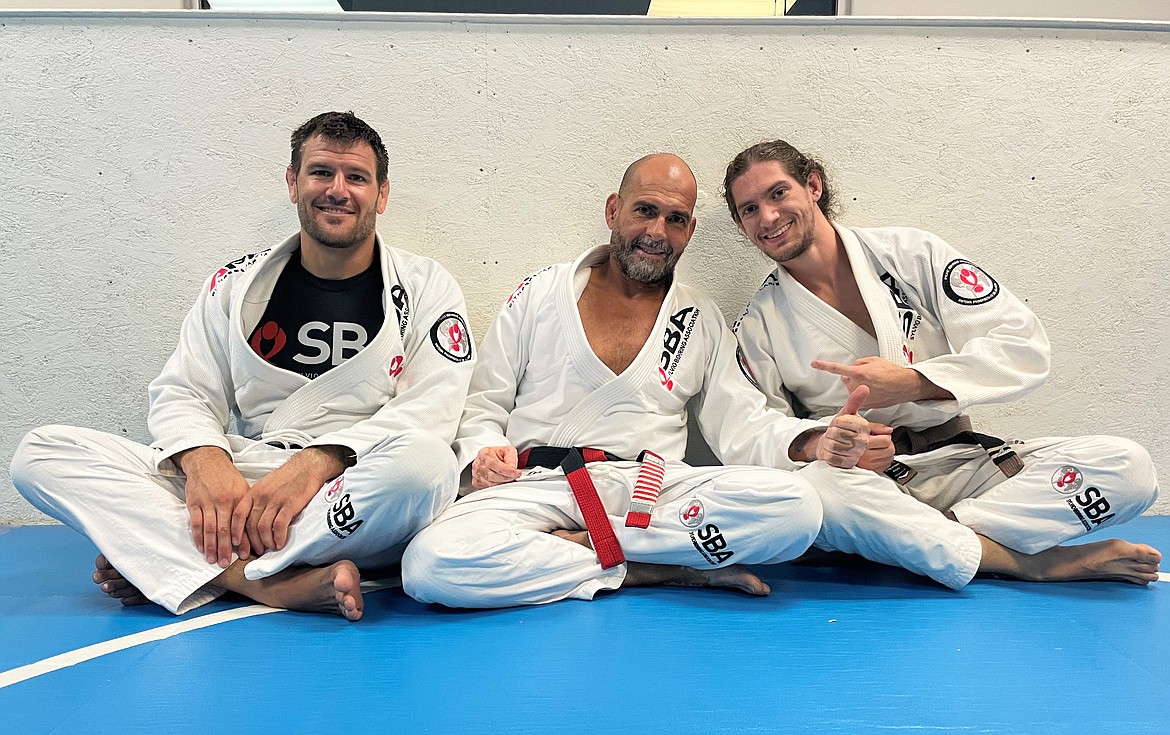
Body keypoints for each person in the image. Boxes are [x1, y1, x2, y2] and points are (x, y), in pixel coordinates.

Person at [11, 111, 475, 620]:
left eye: (356, 177)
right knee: (41, 453)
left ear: (382, 195)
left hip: (350, 490)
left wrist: (316, 463)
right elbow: (184, 390)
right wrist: (206, 461)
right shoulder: (235, 284)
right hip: (249, 478)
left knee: (427, 465)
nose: (337, 190)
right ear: (293, 183)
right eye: (321, 172)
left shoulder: (426, 285)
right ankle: (261, 581)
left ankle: (181, 556)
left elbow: (434, 407)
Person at [402, 153, 877, 609]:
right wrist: (484, 454)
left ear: (689, 231)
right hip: (538, 486)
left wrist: (814, 441)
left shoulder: (698, 317)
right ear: (614, 210)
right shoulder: (540, 293)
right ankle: (650, 568)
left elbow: (743, 425)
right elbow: (485, 403)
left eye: (675, 219)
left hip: (650, 494)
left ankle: (586, 553)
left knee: (796, 509)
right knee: (428, 565)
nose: (657, 232)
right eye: (645, 211)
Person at [723, 139, 1160, 589]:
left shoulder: (912, 254)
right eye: (749, 209)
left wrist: (915, 382)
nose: (768, 218)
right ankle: (1023, 561)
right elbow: (748, 429)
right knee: (816, 492)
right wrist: (822, 442)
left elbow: (1021, 343)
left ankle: (916, 541)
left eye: (778, 194)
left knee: (1129, 469)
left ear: (812, 185)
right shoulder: (760, 322)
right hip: (869, 485)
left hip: (965, 466)